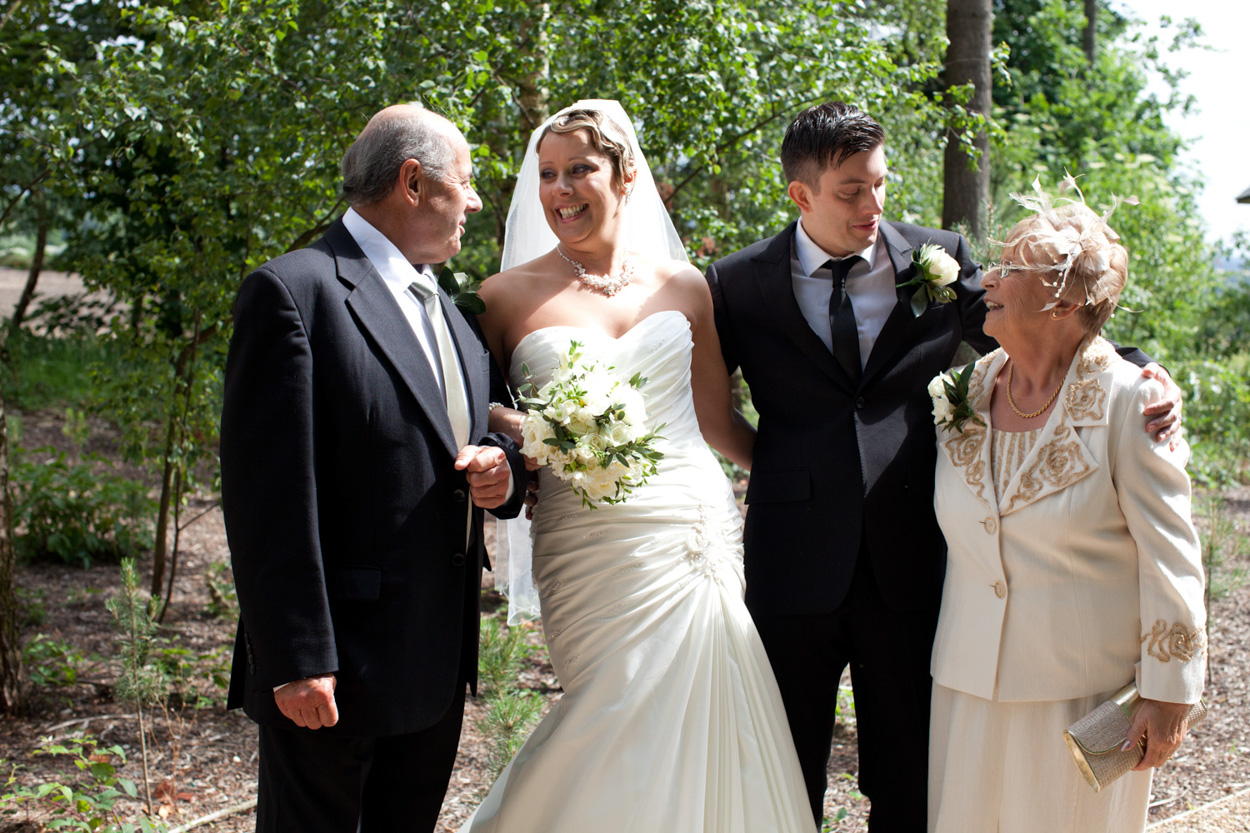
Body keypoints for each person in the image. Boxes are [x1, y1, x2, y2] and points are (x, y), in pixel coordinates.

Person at [704, 101, 1180, 830]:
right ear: (801, 194)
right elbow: (714, 410)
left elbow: (1041, 325)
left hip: (914, 558)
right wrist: (781, 469)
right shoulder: (738, 282)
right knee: (779, 767)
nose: (872, 205)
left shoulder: (937, 256)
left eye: (879, 184)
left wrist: (1142, 369)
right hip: (790, 558)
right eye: (851, 191)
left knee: (910, 774)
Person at [461, 100, 815, 832]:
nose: (560, 190)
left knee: (716, 713)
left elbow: (717, 421)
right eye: (547, 174)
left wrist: (804, 477)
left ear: (625, 176)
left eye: (579, 169)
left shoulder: (684, 286)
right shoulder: (500, 297)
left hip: (692, 529)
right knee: (610, 706)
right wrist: (534, 428)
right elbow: (467, 409)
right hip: (586, 543)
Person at [220, 104, 526, 833]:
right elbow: (267, 498)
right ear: (413, 183)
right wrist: (297, 658)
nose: (474, 201)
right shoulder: (296, 292)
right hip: (335, 669)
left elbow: (478, 427)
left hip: (433, 662)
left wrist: (504, 470)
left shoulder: (450, 309)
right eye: (464, 182)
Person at [927, 194, 1206, 832]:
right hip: (966, 689)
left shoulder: (1131, 403)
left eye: (1010, 269)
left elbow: (1172, 557)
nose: (987, 280)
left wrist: (1170, 693)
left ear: (1064, 301)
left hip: (1082, 700)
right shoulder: (959, 396)